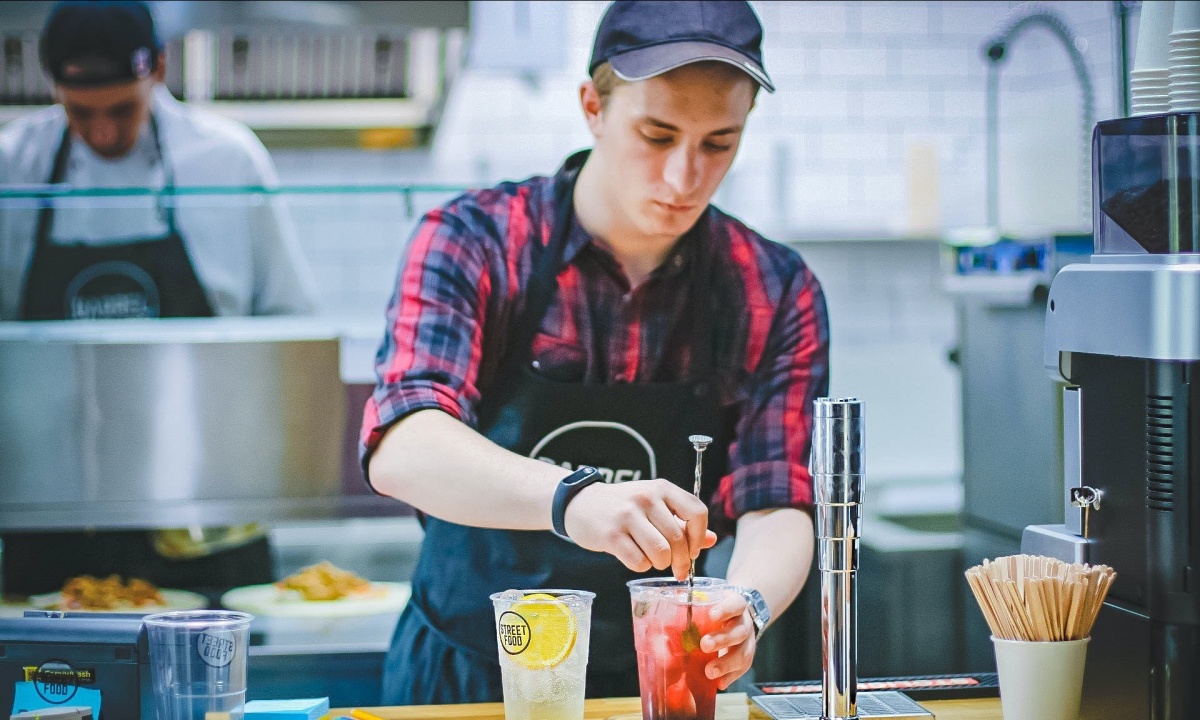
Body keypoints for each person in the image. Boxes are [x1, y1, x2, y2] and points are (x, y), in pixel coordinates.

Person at [361, 0, 829, 704]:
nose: (683, 178)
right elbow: (402, 445)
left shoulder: (771, 287)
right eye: (657, 134)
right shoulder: (477, 240)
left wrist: (749, 606)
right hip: (462, 679)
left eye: (718, 143)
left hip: (660, 680)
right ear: (592, 106)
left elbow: (777, 497)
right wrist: (572, 500)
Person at [0, 1, 317, 596]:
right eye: (79, 113)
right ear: (53, 88)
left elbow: (287, 325)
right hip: (54, 520)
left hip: (208, 516)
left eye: (123, 109)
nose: (103, 133)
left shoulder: (225, 160)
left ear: (160, 71)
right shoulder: (12, 168)